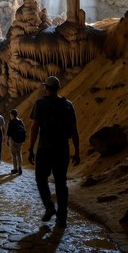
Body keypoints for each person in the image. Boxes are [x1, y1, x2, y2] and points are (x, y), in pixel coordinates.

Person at [28, 76, 80, 228]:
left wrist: (31, 149)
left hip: (45, 149)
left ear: (46, 88)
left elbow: (34, 128)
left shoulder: (41, 103)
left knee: (40, 179)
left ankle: (49, 206)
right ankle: (62, 218)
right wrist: (77, 152)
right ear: (57, 88)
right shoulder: (68, 105)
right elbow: (75, 131)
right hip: (62, 149)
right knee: (61, 183)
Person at [6, 109, 26, 175]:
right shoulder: (20, 121)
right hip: (20, 140)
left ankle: (15, 169)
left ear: (12, 114)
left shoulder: (11, 122)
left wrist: (7, 140)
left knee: (14, 155)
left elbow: (9, 132)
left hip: (13, 140)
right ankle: (20, 167)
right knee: (19, 154)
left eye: (10, 114)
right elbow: (24, 130)